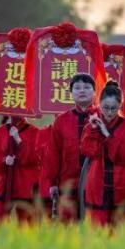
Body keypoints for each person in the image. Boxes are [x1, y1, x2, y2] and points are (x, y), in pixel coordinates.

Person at [81, 81, 125, 226]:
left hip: (122, 186)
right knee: (98, 232)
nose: (109, 112)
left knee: (120, 235)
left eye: (114, 108)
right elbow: (88, 151)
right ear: (99, 104)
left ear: (120, 106)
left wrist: (107, 135)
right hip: (97, 186)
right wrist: (95, 131)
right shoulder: (91, 126)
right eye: (105, 108)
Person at [43, 73, 99, 222]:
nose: (82, 91)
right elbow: (53, 154)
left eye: (87, 87)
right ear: (70, 92)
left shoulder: (102, 117)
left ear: (95, 92)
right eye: (77, 87)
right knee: (67, 227)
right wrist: (53, 183)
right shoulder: (61, 121)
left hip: (96, 183)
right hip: (67, 184)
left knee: (95, 225)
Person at [0, 116, 41, 224]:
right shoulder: (0, 132)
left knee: (26, 226)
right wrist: (4, 160)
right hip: (3, 186)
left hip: (26, 187)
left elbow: (34, 158)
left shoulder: (34, 132)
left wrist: (18, 139)